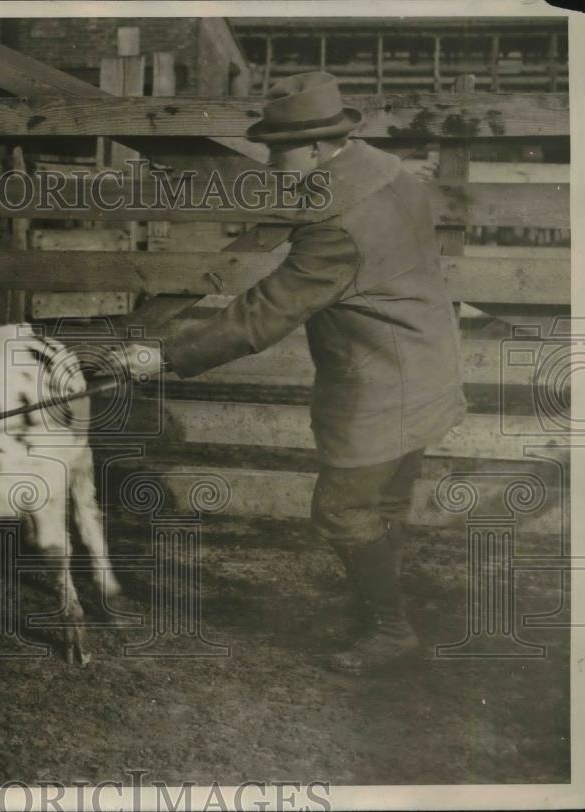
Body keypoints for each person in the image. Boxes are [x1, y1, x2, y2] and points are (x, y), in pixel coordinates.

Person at [120, 72, 466, 674]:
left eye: (280, 149)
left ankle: (389, 630)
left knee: (342, 510)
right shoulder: (387, 169)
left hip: (382, 379)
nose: (273, 162)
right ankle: (376, 615)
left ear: (316, 147)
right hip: (427, 358)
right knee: (383, 505)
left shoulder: (337, 222)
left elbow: (266, 312)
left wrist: (168, 355)